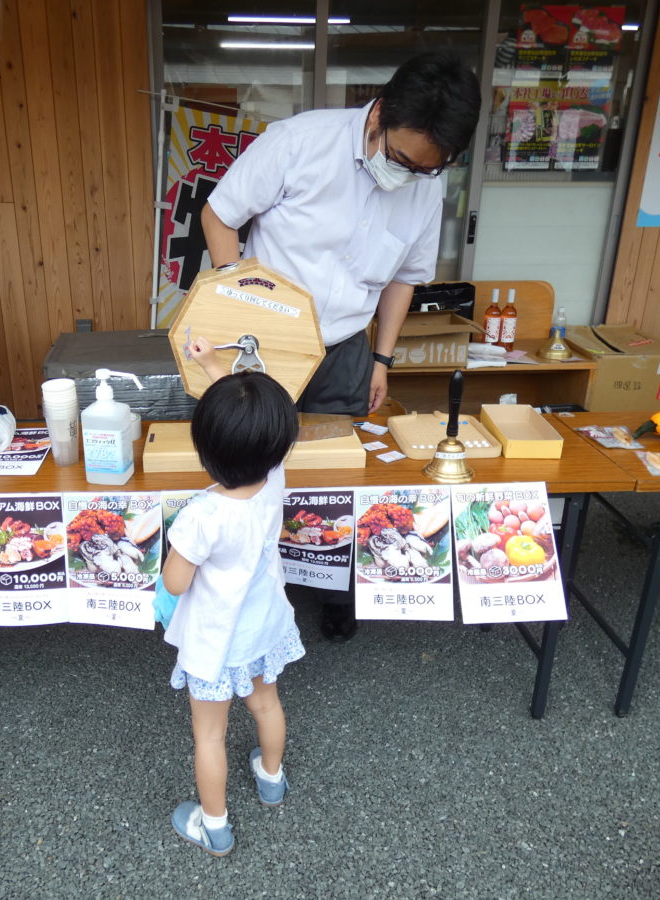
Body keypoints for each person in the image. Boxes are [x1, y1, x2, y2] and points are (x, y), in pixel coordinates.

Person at [200, 48, 481, 642]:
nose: (411, 175)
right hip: (265, 342)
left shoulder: (428, 180)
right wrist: (240, 304)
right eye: (405, 159)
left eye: (429, 168)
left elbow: (405, 275)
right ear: (378, 116)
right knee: (252, 466)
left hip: (347, 344)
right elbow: (220, 215)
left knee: (333, 476)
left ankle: (332, 588)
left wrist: (382, 358)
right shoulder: (299, 142)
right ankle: (246, 579)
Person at [161, 336, 305, 857]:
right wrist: (215, 367)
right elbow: (252, 429)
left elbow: (176, 583)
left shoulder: (203, 517)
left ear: (204, 450)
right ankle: (271, 778)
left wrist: (172, 557)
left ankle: (214, 825)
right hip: (264, 623)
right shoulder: (274, 480)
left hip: (216, 641)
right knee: (265, 703)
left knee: (210, 735)